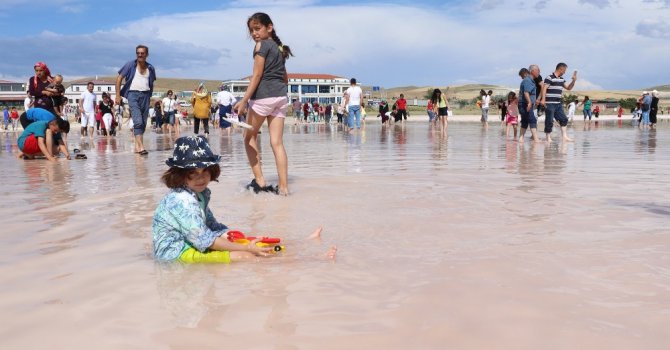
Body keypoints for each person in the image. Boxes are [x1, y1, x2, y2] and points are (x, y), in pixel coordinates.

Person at [152, 135, 336, 263]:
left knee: (256, 242)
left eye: (205, 172)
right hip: (175, 252)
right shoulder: (182, 201)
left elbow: (212, 225)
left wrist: (241, 239)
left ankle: (301, 243)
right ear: (180, 175)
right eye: (193, 173)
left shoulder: (199, 193)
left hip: (194, 240)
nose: (201, 178)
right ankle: (313, 260)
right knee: (246, 256)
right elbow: (204, 240)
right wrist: (246, 249)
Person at [233, 12, 293, 196]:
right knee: (277, 143)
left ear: (269, 27)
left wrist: (243, 101)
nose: (254, 33)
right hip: (280, 98)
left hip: (263, 97)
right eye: (251, 30)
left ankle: (260, 180)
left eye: (257, 28)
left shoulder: (261, 45)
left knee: (249, 137)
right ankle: (283, 187)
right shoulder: (279, 48)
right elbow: (285, 78)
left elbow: (257, 75)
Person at [115, 44, 156, 155]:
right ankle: (141, 147)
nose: (140, 55)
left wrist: (150, 95)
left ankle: (138, 147)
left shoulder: (150, 68)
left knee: (143, 122)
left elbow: (151, 82)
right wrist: (117, 95)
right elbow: (119, 78)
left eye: (142, 53)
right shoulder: (130, 65)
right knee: (137, 121)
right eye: (138, 53)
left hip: (146, 95)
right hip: (132, 94)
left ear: (146, 54)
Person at [538, 62, 576, 143]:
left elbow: (568, 88)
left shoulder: (562, 79)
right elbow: (544, 88)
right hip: (549, 103)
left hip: (558, 103)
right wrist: (543, 99)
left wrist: (573, 81)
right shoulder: (549, 77)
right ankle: (548, 137)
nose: (565, 72)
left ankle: (564, 137)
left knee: (564, 119)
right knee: (549, 120)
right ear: (561, 69)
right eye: (564, 70)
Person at [517, 67, 541, 143]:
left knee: (525, 121)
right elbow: (526, 92)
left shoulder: (528, 80)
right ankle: (536, 139)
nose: (539, 72)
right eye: (537, 71)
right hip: (526, 104)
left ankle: (521, 139)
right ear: (531, 71)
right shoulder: (528, 80)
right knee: (532, 120)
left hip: (523, 103)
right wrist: (529, 102)